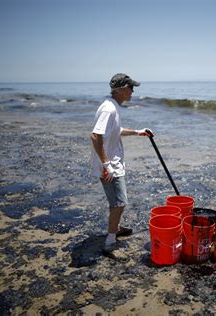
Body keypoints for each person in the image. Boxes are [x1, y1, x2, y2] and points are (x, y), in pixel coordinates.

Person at [90, 73, 152, 253]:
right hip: (109, 166)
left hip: (111, 163)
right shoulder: (109, 109)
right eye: (131, 88)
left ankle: (114, 229)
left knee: (117, 201)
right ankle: (110, 242)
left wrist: (138, 132)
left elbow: (116, 131)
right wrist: (107, 164)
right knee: (119, 203)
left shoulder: (112, 106)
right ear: (123, 89)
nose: (133, 91)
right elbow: (95, 136)